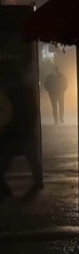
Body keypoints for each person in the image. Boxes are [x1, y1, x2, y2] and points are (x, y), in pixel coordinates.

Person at [0, 66, 44, 201]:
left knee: (5, 159)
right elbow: (33, 111)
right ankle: (37, 183)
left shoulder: (8, 92)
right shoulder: (27, 91)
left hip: (14, 131)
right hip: (25, 130)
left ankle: (4, 188)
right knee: (32, 159)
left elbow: (7, 112)